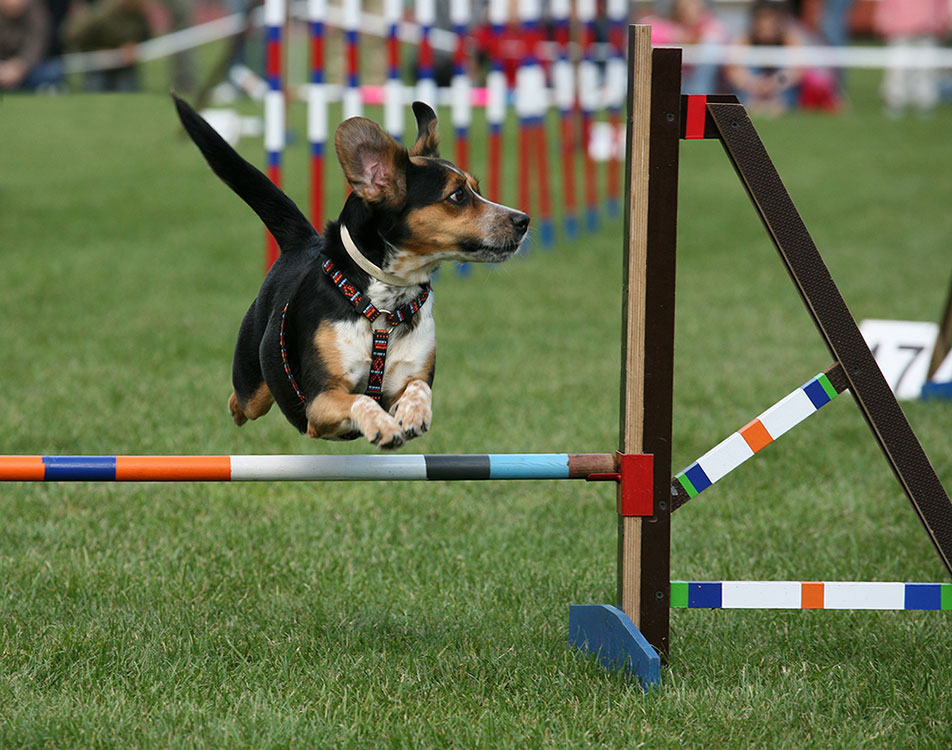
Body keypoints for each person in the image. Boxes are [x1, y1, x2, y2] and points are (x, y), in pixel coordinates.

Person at [726, 0, 805, 115]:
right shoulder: (744, 38)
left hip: (780, 89)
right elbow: (733, 70)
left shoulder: (790, 38)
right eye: (761, 19)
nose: (765, 25)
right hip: (751, 89)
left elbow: (797, 70)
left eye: (769, 20)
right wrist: (754, 84)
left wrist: (774, 83)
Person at [876, 0, 950, 117]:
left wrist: (942, 22)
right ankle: (895, 101)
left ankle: (924, 102)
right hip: (900, 28)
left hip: (926, 28)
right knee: (898, 69)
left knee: (926, 70)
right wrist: (884, 23)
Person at [62, 0, 151, 92]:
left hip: (124, 64)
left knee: (127, 91)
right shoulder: (101, 13)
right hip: (98, 64)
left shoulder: (139, 15)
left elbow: (145, 36)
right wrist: (95, 50)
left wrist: (133, 46)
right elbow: (73, 35)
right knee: (96, 91)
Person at [643, 0, 729, 94]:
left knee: (711, 46)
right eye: (684, 8)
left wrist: (695, 38)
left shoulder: (710, 25)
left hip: (700, 80)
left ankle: (698, 95)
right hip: (673, 78)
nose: (688, 11)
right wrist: (677, 35)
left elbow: (719, 36)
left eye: (692, 7)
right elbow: (646, 32)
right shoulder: (667, 25)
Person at [0, 0, 58, 90]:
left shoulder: (37, 11)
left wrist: (20, 66)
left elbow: (36, 46)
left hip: (28, 69)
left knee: (52, 72)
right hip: (2, 66)